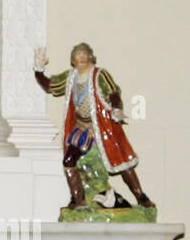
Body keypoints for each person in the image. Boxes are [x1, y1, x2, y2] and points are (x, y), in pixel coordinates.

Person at [34, 42, 154, 210]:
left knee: (121, 161)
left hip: (103, 128)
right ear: (73, 60)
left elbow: (113, 93)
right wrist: (38, 70)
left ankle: (141, 197)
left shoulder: (100, 75)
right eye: (77, 54)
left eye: (84, 54)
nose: (81, 57)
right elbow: (49, 86)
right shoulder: (70, 78)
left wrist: (117, 109)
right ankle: (78, 200)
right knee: (69, 161)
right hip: (82, 128)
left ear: (91, 57)